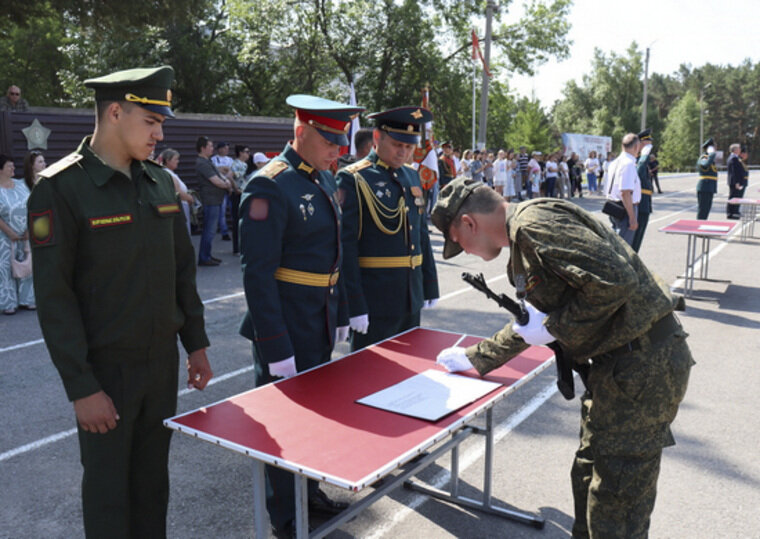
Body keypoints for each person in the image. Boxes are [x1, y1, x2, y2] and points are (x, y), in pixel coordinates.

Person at [431, 177, 693, 539]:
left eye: (460, 243)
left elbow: (617, 281)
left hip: (642, 367)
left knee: (616, 501)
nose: (467, 252)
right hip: (617, 369)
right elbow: (532, 322)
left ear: (469, 223)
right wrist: (478, 358)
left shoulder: (533, 227)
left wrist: (556, 327)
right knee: (588, 476)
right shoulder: (525, 237)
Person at [27, 66, 212, 538]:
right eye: (151, 122)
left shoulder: (157, 181)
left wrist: (196, 343)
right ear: (114, 112)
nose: (160, 133)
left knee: (153, 488)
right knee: (109, 495)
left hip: (158, 365)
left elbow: (181, 272)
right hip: (105, 371)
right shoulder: (60, 187)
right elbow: (54, 297)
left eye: (161, 124)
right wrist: (81, 387)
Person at [238, 94, 362, 538]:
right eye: (329, 139)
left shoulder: (324, 180)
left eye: (340, 141)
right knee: (284, 424)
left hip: (319, 319)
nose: (338, 150)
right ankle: (286, 517)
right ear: (301, 132)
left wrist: (343, 312)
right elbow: (257, 274)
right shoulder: (270, 184)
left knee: (313, 418)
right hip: (287, 324)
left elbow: (336, 255)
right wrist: (274, 345)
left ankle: (308, 494)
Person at [336, 105, 440, 351]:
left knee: (410, 369)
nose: (403, 152)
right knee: (370, 376)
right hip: (375, 298)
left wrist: (429, 282)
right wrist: (355, 303)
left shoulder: (412, 176)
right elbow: (346, 247)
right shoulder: (353, 178)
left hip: (410, 294)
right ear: (376, 138)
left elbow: (420, 233)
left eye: (409, 146)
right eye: (397, 144)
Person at [0, 154, 35, 314]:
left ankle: (28, 300)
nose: (13, 168)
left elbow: (32, 206)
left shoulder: (21, 185)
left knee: (26, 266)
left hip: (25, 233)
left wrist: (29, 228)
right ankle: (8, 303)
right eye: (9, 166)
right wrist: (9, 232)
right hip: (5, 236)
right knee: (5, 268)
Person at [195, 136, 233, 266]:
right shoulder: (202, 163)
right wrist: (227, 185)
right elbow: (216, 180)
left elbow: (220, 176)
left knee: (210, 230)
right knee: (209, 230)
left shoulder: (208, 161)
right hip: (210, 200)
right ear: (203, 148)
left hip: (216, 200)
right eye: (210, 146)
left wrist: (226, 181)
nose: (212, 148)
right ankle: (204, 258)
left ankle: (207, 255)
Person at [606, 133, 641, 246]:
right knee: (623, 247)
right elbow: (625, 192)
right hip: (625, 208)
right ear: (636, 147)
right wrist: (632, 218)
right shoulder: (628, 164)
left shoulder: (614, 162)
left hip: (613, 206)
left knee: (614, 243)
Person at [159, 148, 194, 236]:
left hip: (183, 206)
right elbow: (178, 192)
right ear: (167, 160)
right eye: (175, 159)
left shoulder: (170, 173)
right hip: (180, 207)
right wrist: (190, 198)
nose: (178, 161)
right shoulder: (167, 173)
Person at [631, 129, 654, 253]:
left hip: (645, 201)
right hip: (640, 202)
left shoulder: (641, 160)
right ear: (640, 143)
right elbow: (639, 174)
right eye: (647, 142)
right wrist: (644, 156)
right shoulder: (638, 159)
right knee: (635, 237)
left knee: (638, 237)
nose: (650, 145)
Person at [228, 145, 250, 254]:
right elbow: (229, 175)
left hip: (242, 193)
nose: (248, 154)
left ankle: (241, 246)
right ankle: (236, 248)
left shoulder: (244, 165)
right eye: (246, 151)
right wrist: (235, 187)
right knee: (237, 220)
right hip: (237, 195)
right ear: (240, 153)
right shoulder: (236, 163)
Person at [211, 142, 234, 241]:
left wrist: (222, 170)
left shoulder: (230, 160)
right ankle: (224, 232)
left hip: (231, 188)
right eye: (224, 148)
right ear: (219, 149)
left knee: (233, 210)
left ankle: (235, 230)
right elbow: (215, 171)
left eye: (227, 148)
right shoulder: (213, 159)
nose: (226, 150)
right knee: (222, 212)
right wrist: (221, 169)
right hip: (220, 188)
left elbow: (231, 171)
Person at [696, 137, 718, 220]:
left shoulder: (709, 158)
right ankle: (698, 231)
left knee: (706, 210)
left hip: (709, 188)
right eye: (714, 147)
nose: (715, 149)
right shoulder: (704, 157)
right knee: (703, 210)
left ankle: (701, 228)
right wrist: (711, 154)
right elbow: (704, 165)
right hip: (704, 187)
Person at [725, 143, 746, 219]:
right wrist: (736, 182)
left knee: (736, 197)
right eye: (739, 148)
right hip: (735, 182)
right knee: (733, 197)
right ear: (735, 150)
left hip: (736, 182)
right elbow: (734, 172)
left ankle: (734, 212)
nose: (740, 150)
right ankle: (730, 213)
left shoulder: (735, 158)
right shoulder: (733, 158)